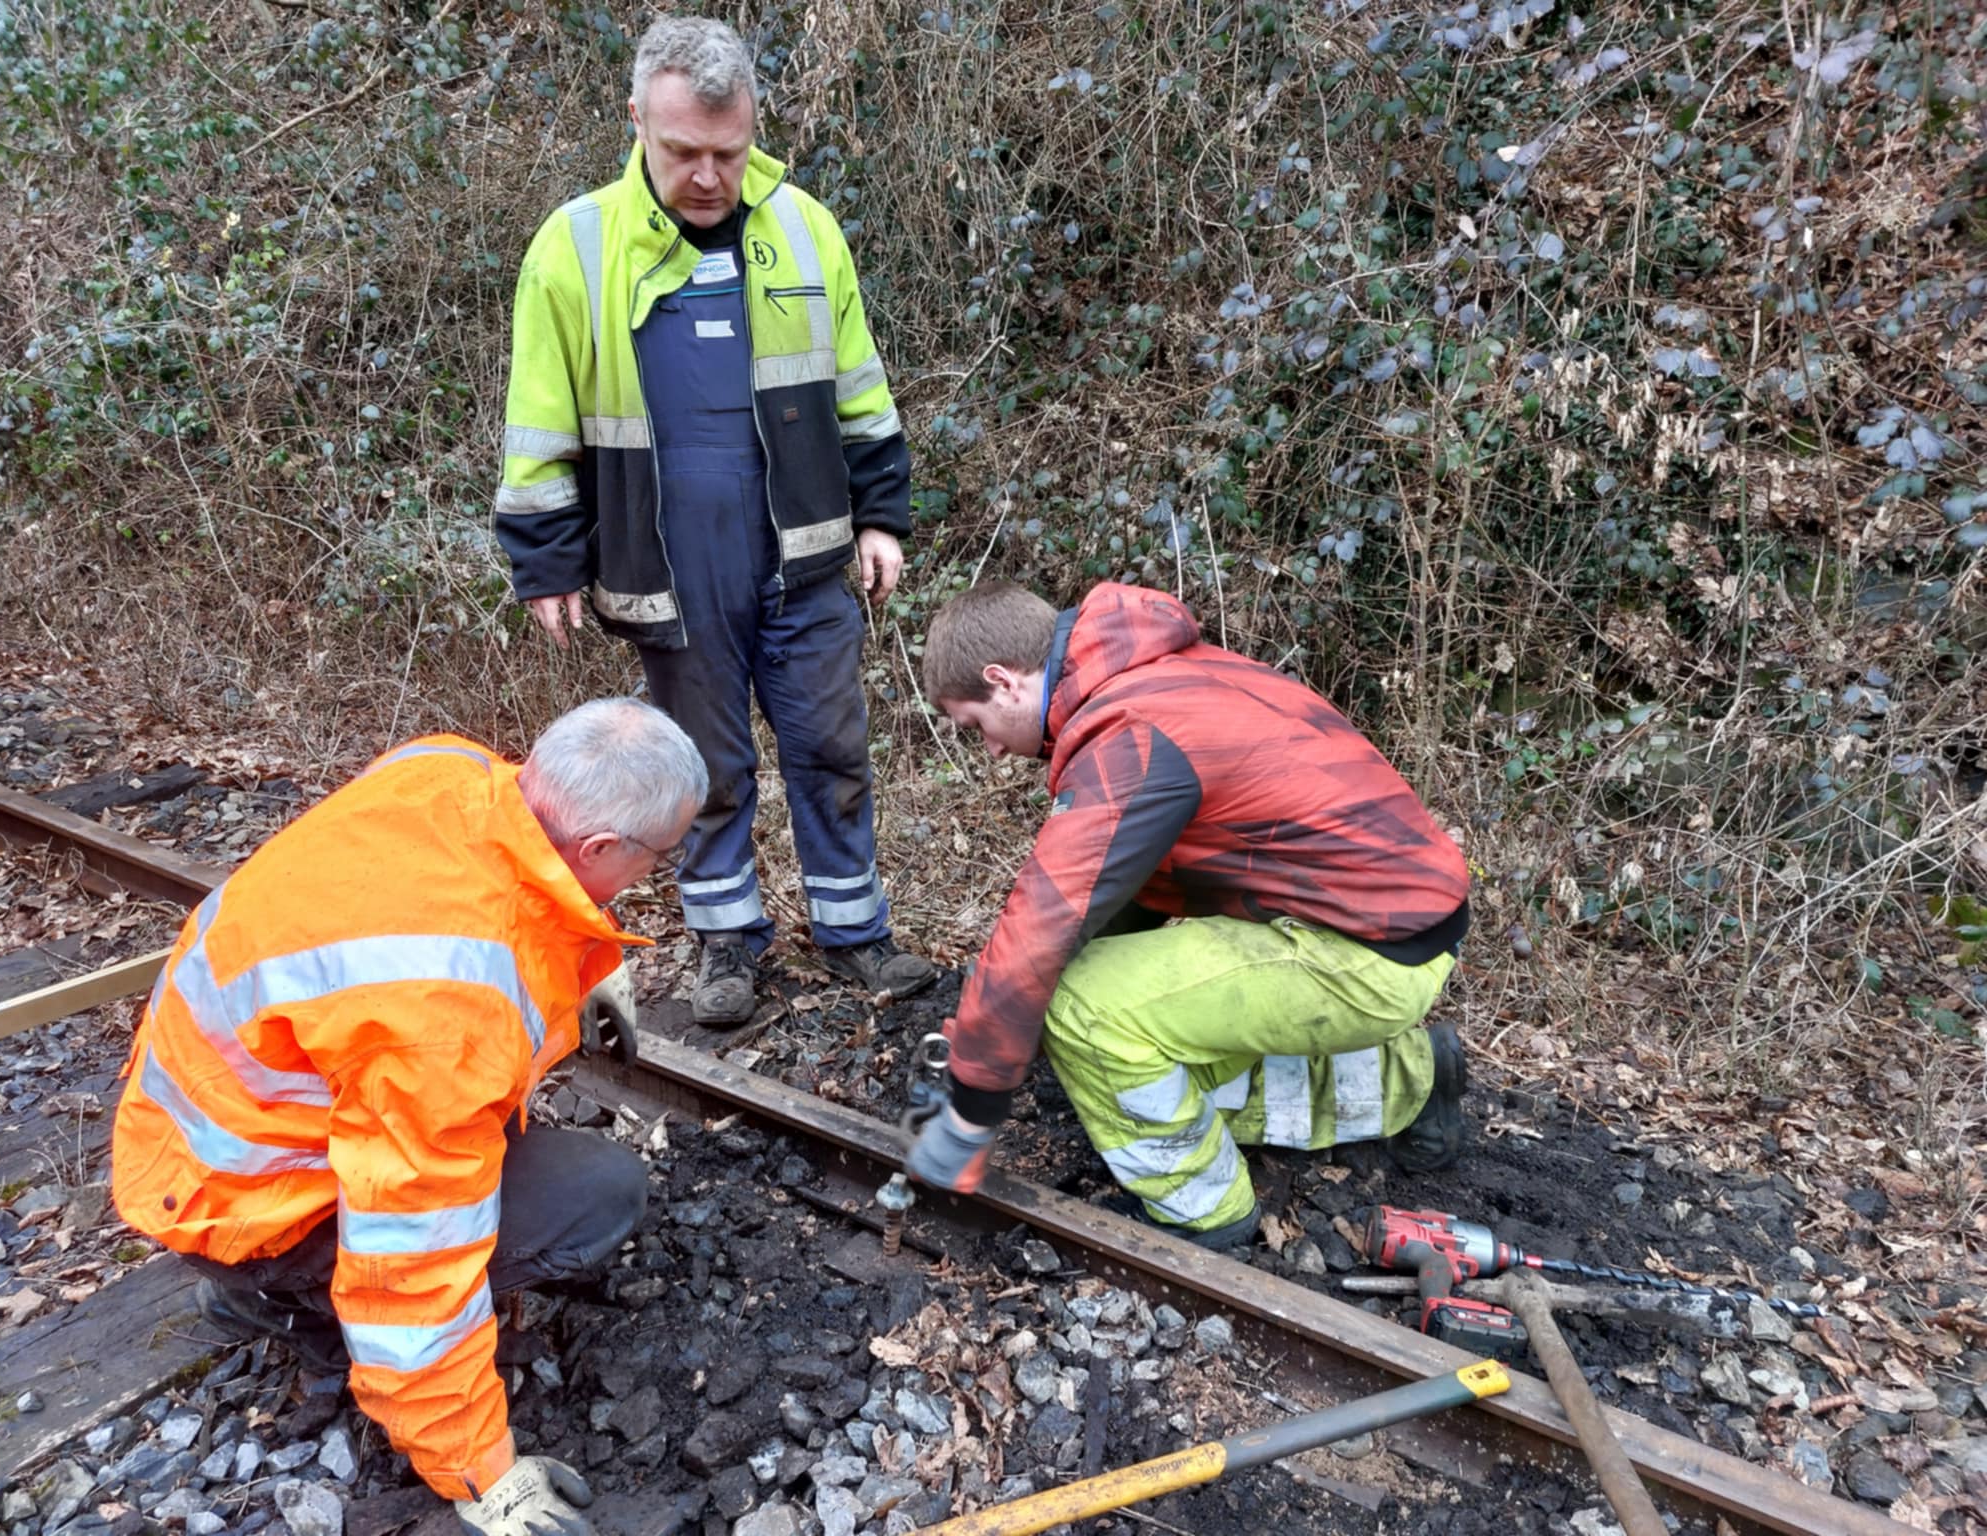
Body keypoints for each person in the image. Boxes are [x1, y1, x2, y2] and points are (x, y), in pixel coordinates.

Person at [110, 699, 709, 1536]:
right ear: (599, 848)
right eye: (657, 858)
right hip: (250, 1208)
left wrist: (580, 955)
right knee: (602, 1189)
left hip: (196, 1135)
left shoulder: (445, 768)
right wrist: (482, 1474)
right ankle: (286, 1302)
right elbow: (415, 1263)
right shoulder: (448, 1015)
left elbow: (452, 913)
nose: (656, 877)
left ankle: (270, 1282)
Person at [492, 15, 934, 1026]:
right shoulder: (576, 245)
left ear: (752, 133)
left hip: (808, 555)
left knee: (831, 747)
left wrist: (884, 517)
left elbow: (860, 390)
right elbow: (538, 425)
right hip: (670, 564)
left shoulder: (804, 227)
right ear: (637, 119)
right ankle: (727, 947)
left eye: (726, 155)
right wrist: (546, 561)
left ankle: (856, 935)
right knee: (708, 767)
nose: (706, 176)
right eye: (683, 151)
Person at [902, 582, 1473, 1250]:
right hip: (1392, 923)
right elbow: (1109, 896)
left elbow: (1043, 923)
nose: (991, 750)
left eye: (975, 727)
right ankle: (1416, 1080)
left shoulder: (1130, 735)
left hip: (1362, 951)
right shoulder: (1156, 678)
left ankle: (1202, 1207)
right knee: (1143, 1044)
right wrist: (986, 1034)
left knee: (1088, 1012)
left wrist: (972, 1109)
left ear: (1002, 682)